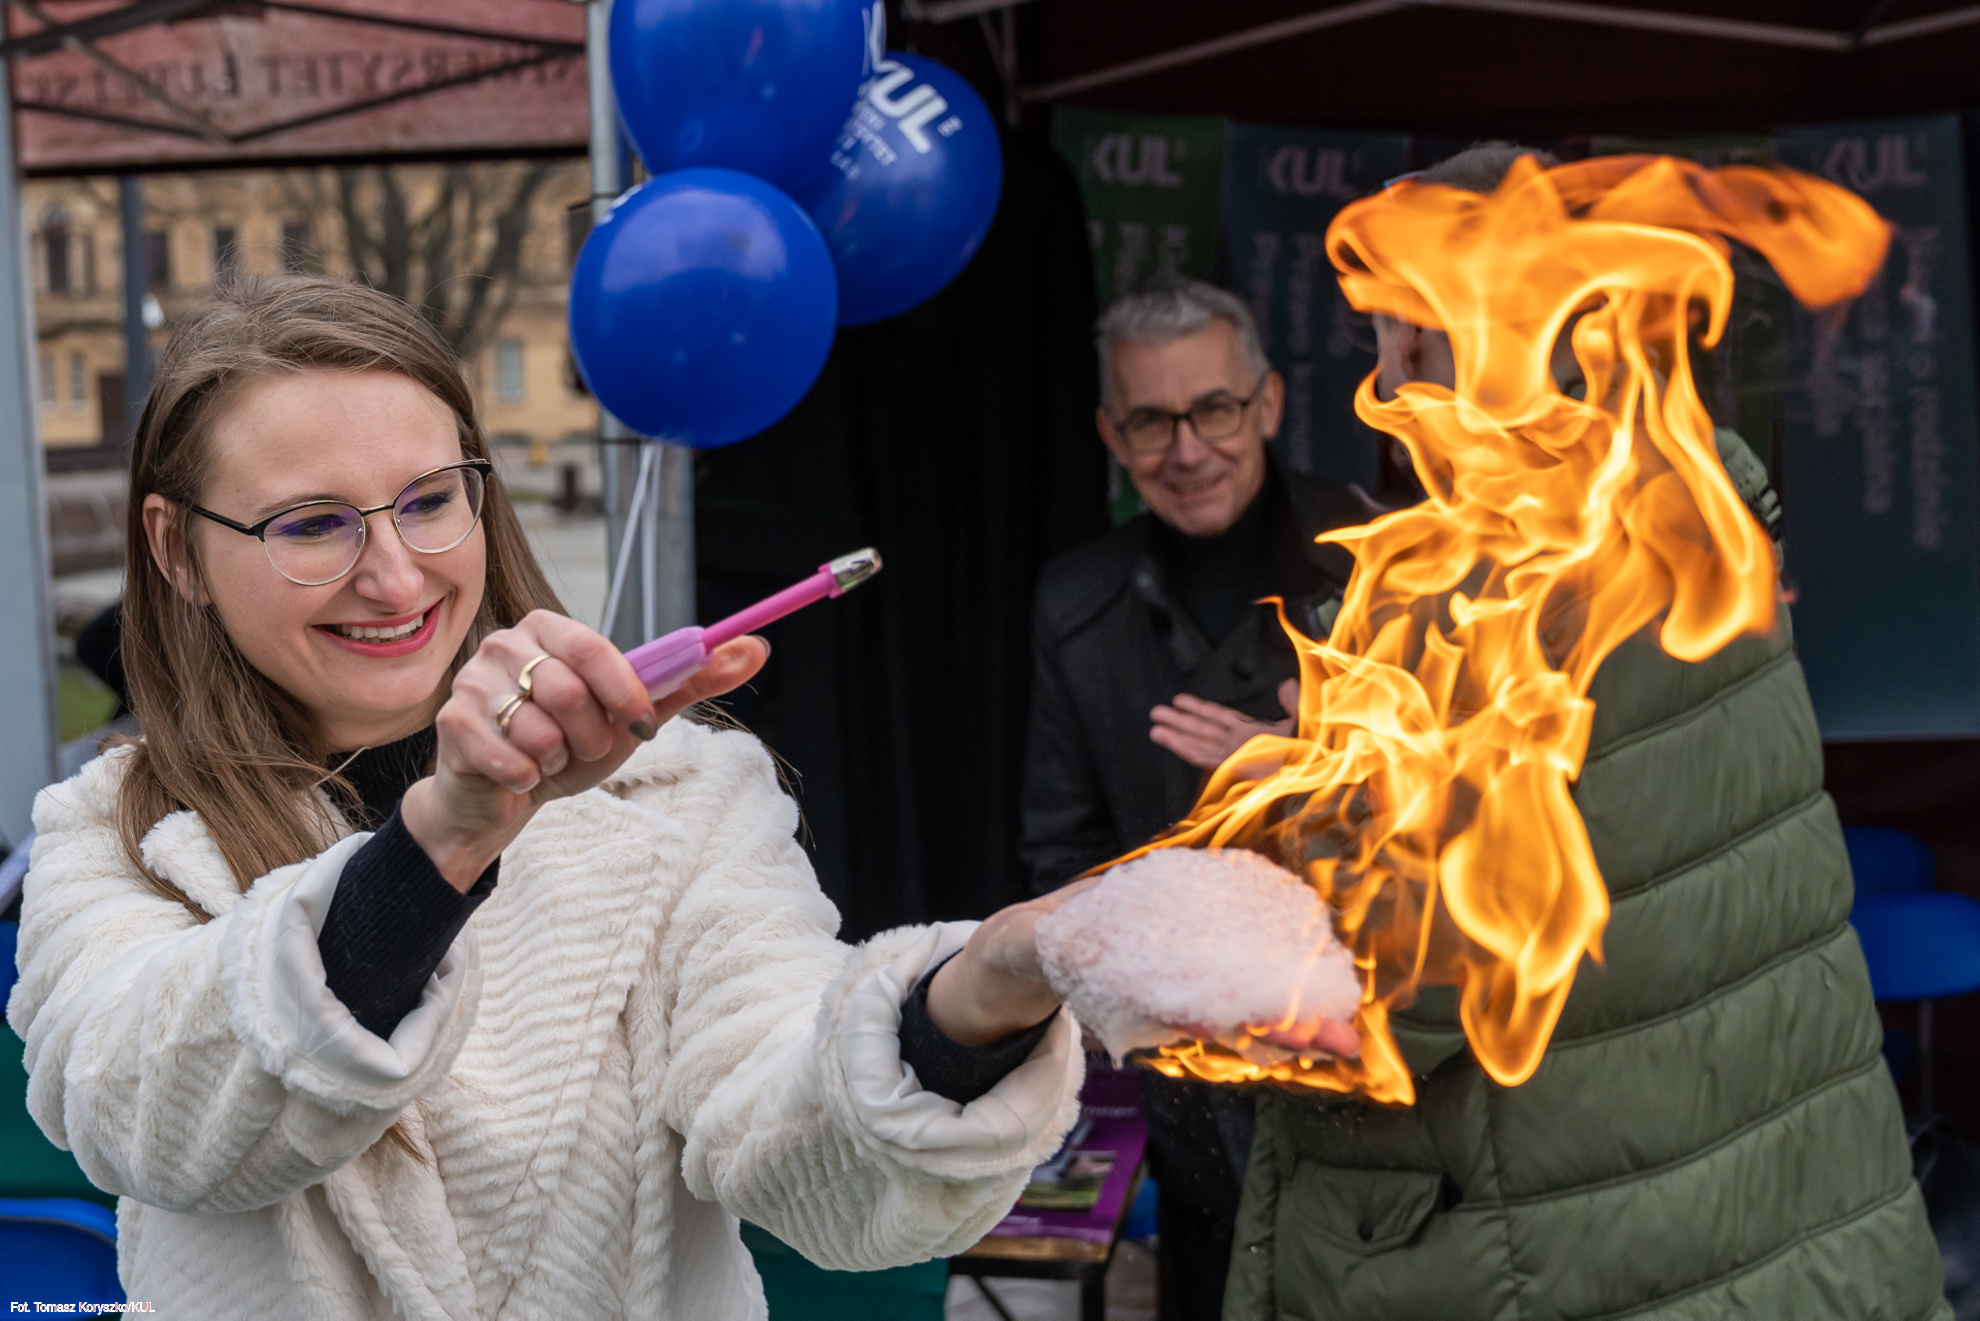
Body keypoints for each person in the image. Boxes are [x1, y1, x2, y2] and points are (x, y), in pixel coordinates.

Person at [7, 276, 1092, 1319]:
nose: (396, 577)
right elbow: (144, 1118)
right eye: (311, 524)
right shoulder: (114, 834)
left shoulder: (678, 793)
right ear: (175, 548)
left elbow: (807, 1155)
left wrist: (968, 1012)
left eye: (431, 501)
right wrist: (442, 841)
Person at [1220, 144, 1948, 1320]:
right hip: (1768, 1207)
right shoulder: (1698, 511)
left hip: (1579, 1242)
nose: (1388, 370)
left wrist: (1287, 801)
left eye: (1403, 325)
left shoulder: (1508, 588)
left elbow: (1401, 981)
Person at [1018, 276, 1377, 1320]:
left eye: (1213, 409)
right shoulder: (1075, 603)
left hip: (1367, 1074)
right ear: (1110, 434)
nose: (1187, 450)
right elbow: (1059, 854)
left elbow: (1466, 807)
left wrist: (1300, 763)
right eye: (1151, 421)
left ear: (1267, 404)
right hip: (1189, 1089)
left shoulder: (1378, 559)